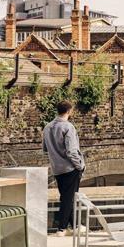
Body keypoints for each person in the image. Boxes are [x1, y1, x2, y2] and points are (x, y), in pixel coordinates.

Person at [43, 100, 85, 236]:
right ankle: (61, 229)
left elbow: (45, 148)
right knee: (68, 199)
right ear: (69, 111)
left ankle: (75, 226)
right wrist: (80, 166)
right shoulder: (68, 127)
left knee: (68, 197)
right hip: (70, 168)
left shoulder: (47, 127)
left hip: (56, 168)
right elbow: (72, 151)